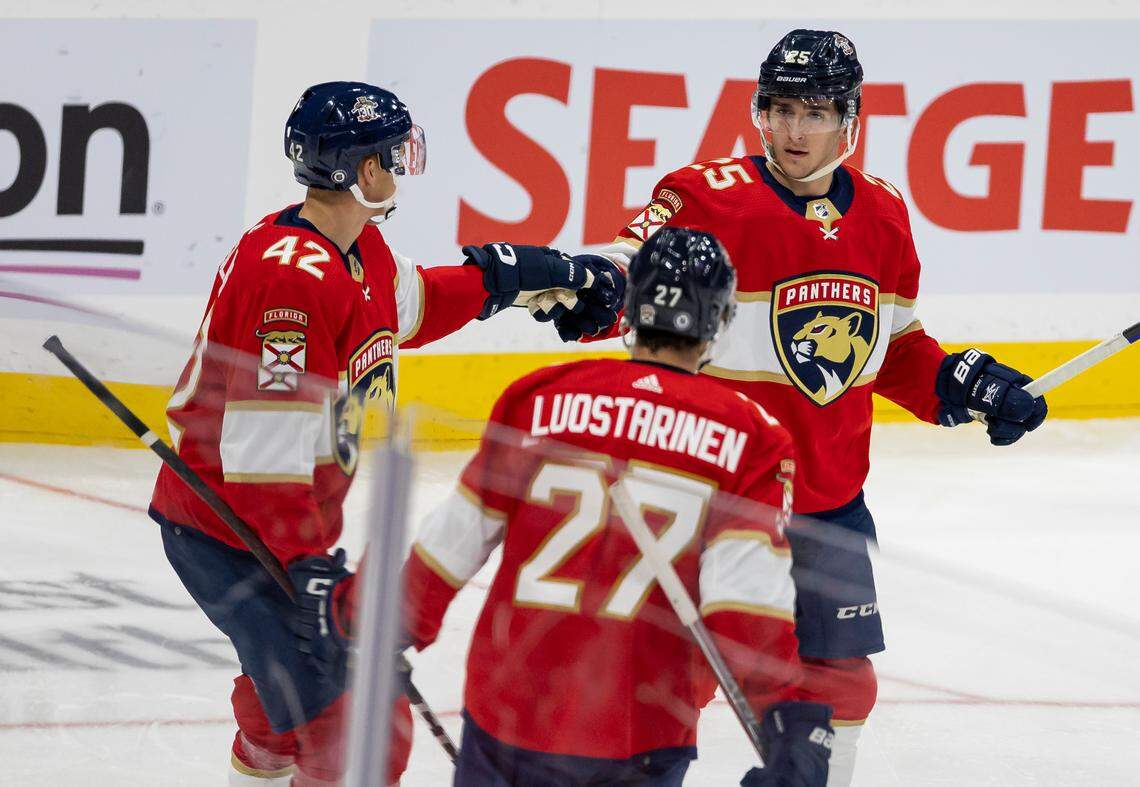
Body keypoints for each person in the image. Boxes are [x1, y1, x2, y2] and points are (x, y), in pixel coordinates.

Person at [550, 29, 1049, 787]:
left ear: (850, 119)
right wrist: (588, 286)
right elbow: (627, 267)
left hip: (829, 499)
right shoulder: (706, 194)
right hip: (716, 496)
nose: (793, 130)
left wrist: (963, 383)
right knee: (670, 676)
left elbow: (895, 346)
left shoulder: (883, 213)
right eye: (780, 109)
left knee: (840, 682)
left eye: (814, 112)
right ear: (759, 112)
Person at [148, 81, 623, 787]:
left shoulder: (356, 249)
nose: (403, 166)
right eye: (395, 153)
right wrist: (310, 571)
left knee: (283, 698)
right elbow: (261, 458)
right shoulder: (291, 279)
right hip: (231, 531)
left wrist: (522, 278)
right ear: (363, 169)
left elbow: (417, 305)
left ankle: (267, 744)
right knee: (354, 724)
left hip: (273, 523)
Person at [403, 227, 835, 787]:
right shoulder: (750, 436)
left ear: (630, 310)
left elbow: (450, 542)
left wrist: (367, 622)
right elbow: (743, 605)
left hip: (507, 716)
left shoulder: (539, 396)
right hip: (640, 732)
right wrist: (787, 712)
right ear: (719, 322)